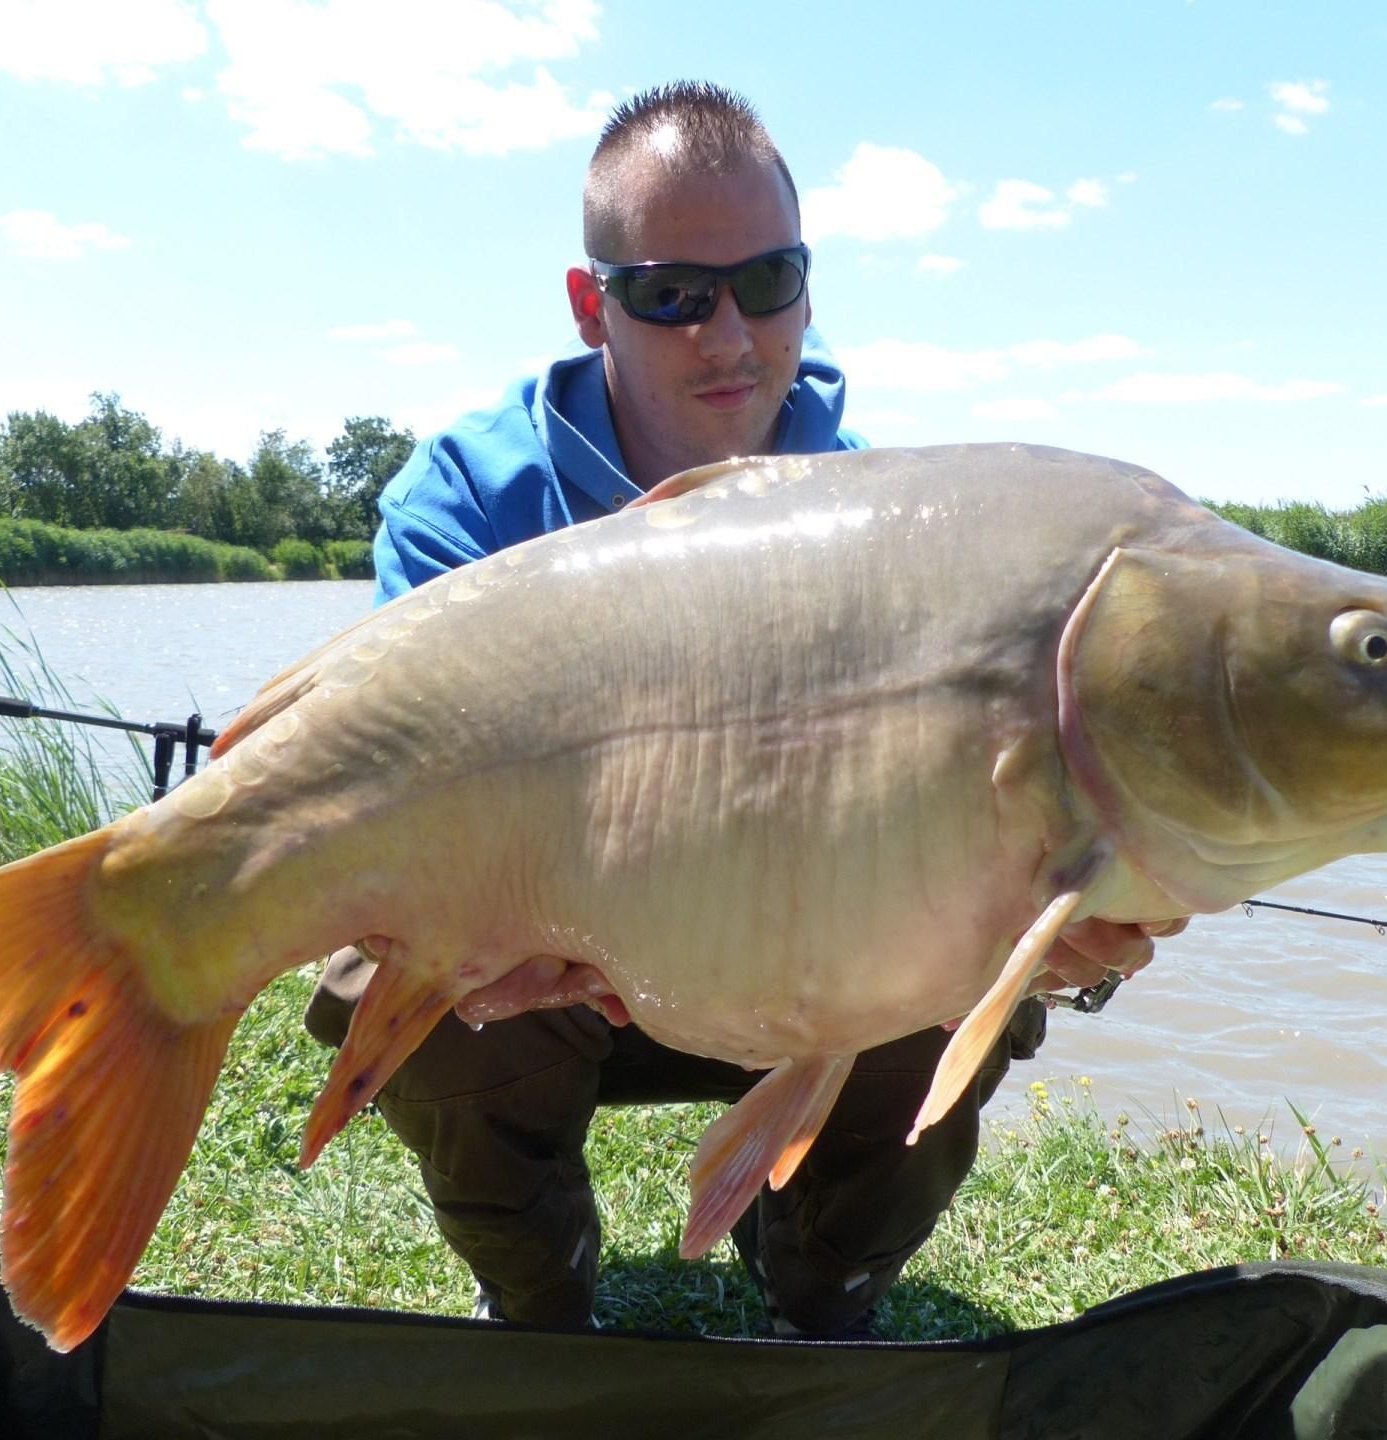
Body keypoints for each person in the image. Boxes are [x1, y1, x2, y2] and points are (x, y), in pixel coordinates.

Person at [304, 80, 1163, 1339]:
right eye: (673, 294)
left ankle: (814, 1285)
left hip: (783, 961)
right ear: (593, 304)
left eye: (768, 282)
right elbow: (390, 784)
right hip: (543, 964)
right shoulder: (464, 505)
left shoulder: (882, 515)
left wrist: (1036, 914)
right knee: (401, 981)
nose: (729, 335)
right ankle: (539, 1288)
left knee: (952, 986)